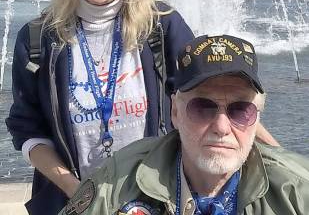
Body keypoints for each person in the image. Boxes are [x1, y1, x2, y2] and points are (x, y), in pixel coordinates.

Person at [5, 0, 194, 215]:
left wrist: (277, 158)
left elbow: (215, 92)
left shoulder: (161, 26)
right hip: (72, 203)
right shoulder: (38, 38)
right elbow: (27, 129)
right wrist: (81, 194)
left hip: (153, 202)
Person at [58, 34, 309, 215]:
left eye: (240, 110)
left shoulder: (297, 190)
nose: (222, 127)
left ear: (256, 119)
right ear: (175, 113)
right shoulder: (117, 182)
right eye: (203, 108)